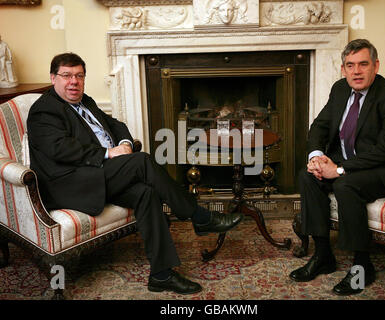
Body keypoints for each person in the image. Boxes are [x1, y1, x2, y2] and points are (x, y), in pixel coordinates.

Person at [27, 52, 243, 295]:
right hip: (70, 184)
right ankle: (199, 216)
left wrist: (125, 144)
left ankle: (161, 275)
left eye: (79, 75)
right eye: (66, 76)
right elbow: (60, 149)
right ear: (53, 78)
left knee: (146, 192)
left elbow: (115, 124)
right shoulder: (44, 110)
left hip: (97, 175)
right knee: (142, 162)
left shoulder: (85, 101)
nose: (73, 81)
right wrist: (109, 153)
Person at [289, 39, 385, 295]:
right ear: (343, 69)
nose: (356, 71)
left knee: (347, 184)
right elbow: (320, 126)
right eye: (350, 65)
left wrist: (338, 170)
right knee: (307, 176)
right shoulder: (339, 89)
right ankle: (323, 254)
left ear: (375, 65)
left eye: (363, 64)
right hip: (347, 163)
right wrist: (317, 158)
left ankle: (362, 265)